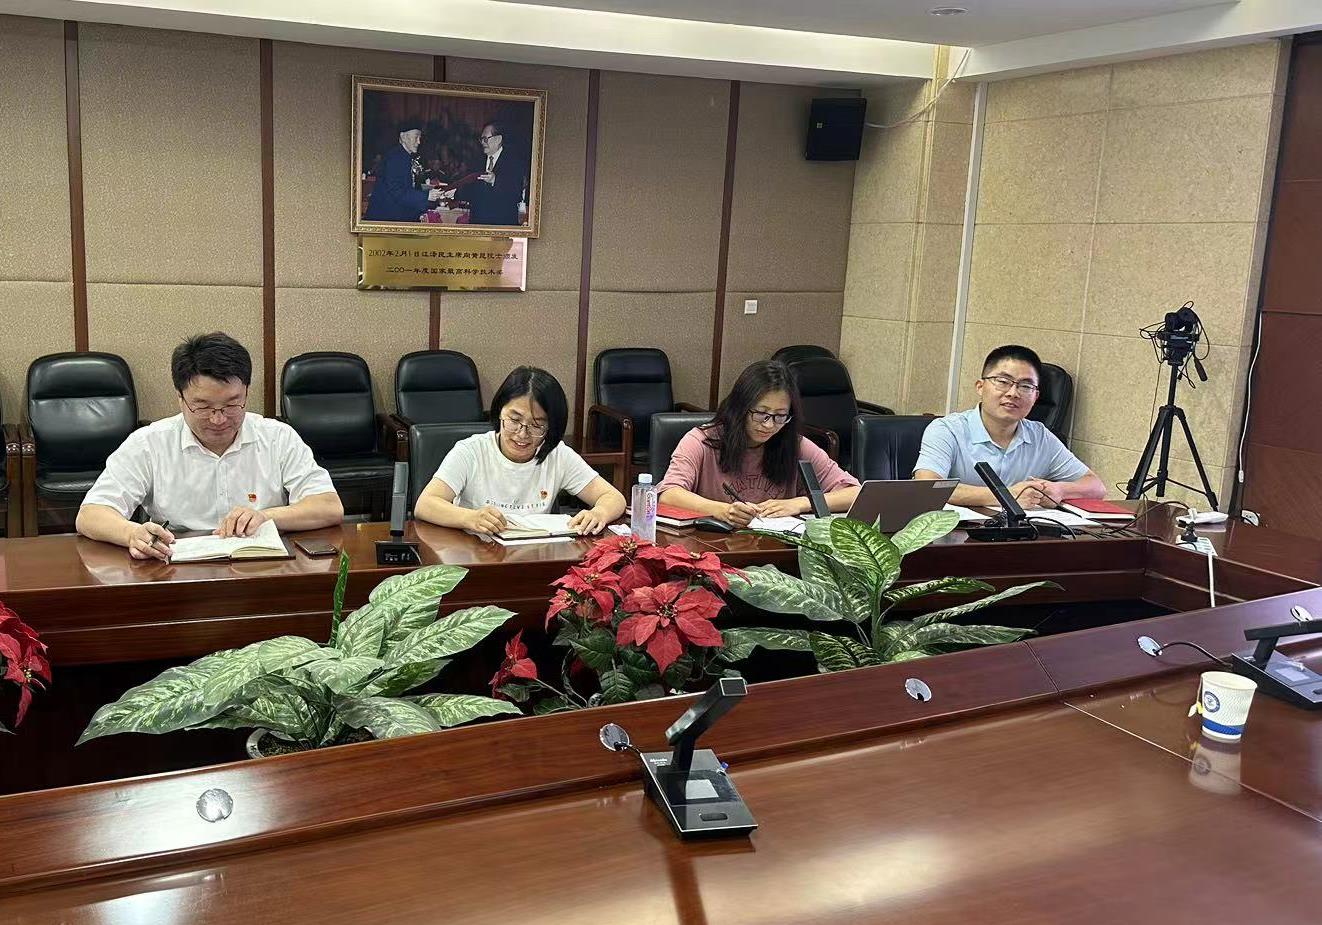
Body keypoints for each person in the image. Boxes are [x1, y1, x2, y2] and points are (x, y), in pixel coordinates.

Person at [77, 333, 344, 561]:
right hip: (176, 573)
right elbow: (91, 514)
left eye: (232, 404)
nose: (218, 419)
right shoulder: (149, 443)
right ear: (180, 398)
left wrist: (265, 517)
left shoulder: (278, 437)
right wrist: (132, 533)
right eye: (203, 407)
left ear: (246, 392)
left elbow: (329, 506)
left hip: (261, 568)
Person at [414, 367, 625, 535]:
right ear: (499, 412)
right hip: (475, 554)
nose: (522, 434)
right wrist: (469, 518)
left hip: (534, 556)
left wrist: (599, 512)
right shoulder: (471, 451)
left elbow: (613, 497)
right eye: (514, 420)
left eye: (537, 425)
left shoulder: (557, 454)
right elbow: (425, 504)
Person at [657, 361, 860, 527]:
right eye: (761, 413)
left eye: (780, 416)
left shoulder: (795, 445)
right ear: (740, 408)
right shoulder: (701, 441)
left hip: (775, 550)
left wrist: (800, 503)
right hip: (713, 548)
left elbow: (855, 493)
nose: (769, 425)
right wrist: (723, 510)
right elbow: (668, 494)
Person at [913, 344, 1106, 509]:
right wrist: (1007, 496)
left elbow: (1096, 487)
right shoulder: (947, 430)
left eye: (1026, 386)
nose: (1013, 393)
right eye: (1003, 382)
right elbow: (927, 488)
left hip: (1019, 537)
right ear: (980, 387)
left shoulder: (1040, 436)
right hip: (956, 536)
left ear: (1036, 397)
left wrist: (1059, 490)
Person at [440, 121, 527, 226]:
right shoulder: (477, 160)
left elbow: (516, 193)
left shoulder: (514, 162)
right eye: (481, 139)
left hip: (502, 225)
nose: (482, 143)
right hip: (478, 223)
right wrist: (455, 193)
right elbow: (473, 190)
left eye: (485, 139)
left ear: (498, 139)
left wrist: (495, 180)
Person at [362, 121, 446, 222]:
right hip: (387, 219)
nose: (419, 142)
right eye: (416, 137)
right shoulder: (395, 158)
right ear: (403, 137)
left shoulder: (407, 156)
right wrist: (427, 195)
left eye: (420, 138)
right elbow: (397, 191)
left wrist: (433, 190)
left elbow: (411, 186)